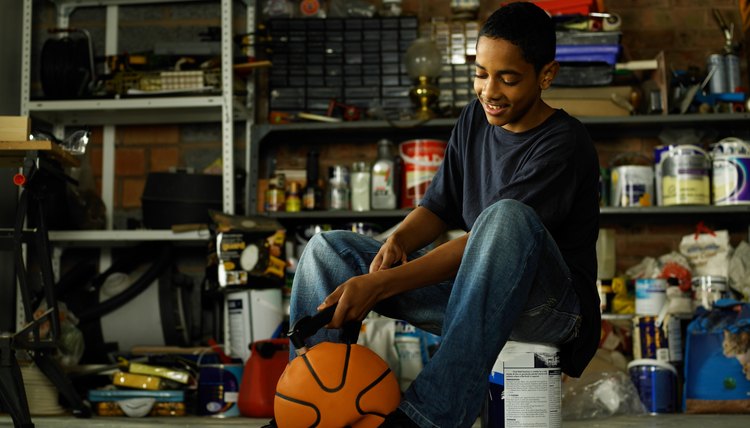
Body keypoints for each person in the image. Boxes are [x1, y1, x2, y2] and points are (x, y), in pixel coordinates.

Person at [288, 2, 601, 427]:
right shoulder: (475, 118)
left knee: (505, 217)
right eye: (480, 73)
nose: (490, 91)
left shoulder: (564, 142)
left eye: (508, 79)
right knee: (328, 250)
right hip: (475, 297)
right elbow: (438, 207)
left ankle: (428, 417)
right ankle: (308, 405)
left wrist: (379, 285)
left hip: (550, 310)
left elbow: (490, 237)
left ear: (546, 75)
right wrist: (397, 241)